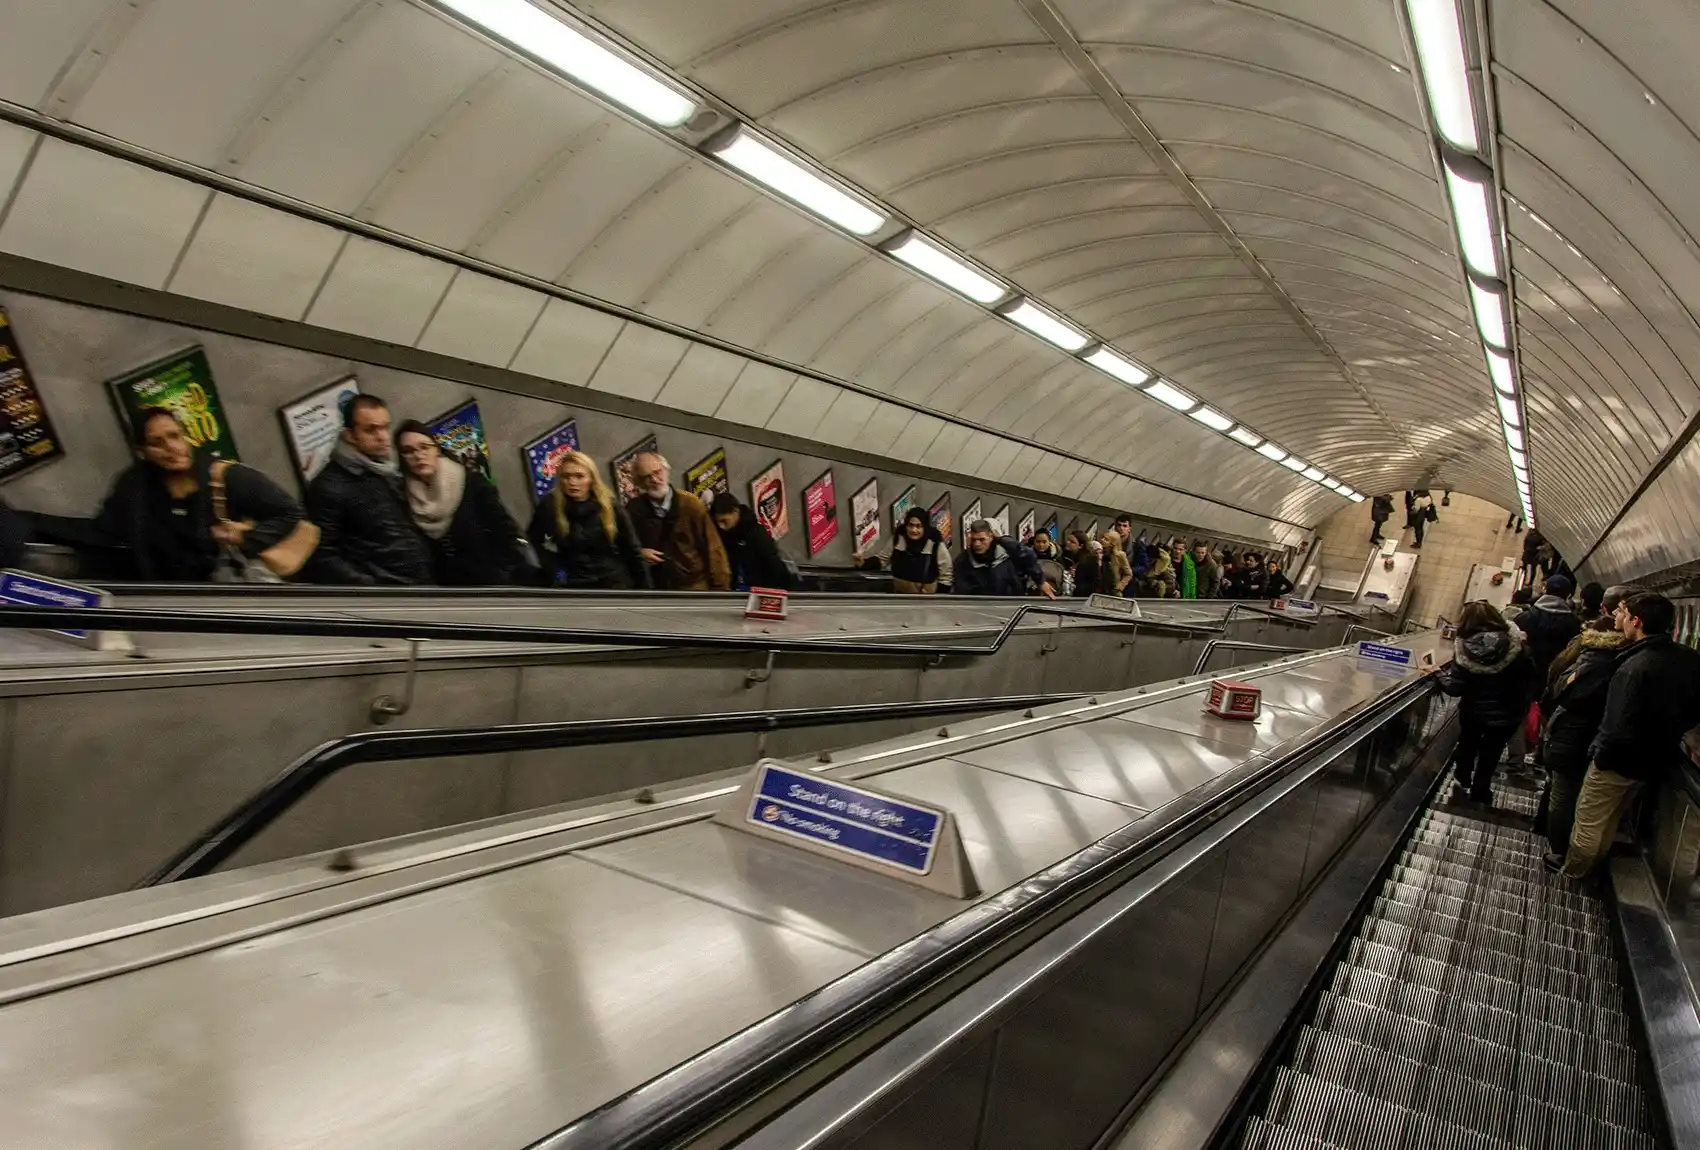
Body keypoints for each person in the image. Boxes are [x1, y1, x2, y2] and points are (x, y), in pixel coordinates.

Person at [1561, 594, 1700, 879]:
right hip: (1654, 759)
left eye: (1623, 613)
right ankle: (1592, 873)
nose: (1618, 618)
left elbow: (1616, 722)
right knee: (1611, 820)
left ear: (1636, 621)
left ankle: (1574, 876)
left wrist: (1600, 754)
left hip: (1616, 760)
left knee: (1588, 822)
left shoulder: (1633, 665)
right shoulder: (1689, 659)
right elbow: (1694, 711)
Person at [97, 407, 309, 582]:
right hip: (165, 598)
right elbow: (109, 529)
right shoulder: (134, 485)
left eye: (174, 436)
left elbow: (289, 512)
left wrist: (244, 537)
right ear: (142, 452)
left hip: (227, 593)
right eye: (156, 443)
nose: (171, 447)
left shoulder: (225, 477)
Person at [307, 394, 434, 585]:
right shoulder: (329, 485)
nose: (383, 437)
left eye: (385, 427)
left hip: (422, 584)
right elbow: (322, 556)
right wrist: (374, 587)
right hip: (389, 596)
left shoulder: (387, 469)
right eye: (371, 430)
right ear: (350, 435)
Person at [1538, 615, 1628, 868]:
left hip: (1567, 738)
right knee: (1572, 799)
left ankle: (1560, 853)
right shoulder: (1613, 664)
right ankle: (1565, 855)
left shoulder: (1585, 659)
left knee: (1562, 797)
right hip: (1581, 742)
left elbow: (1555, 692)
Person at [395, 422, 523, 586]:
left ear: (437, 449)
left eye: (424, 447)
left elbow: (506, 532)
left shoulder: (470, 482)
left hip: (491, 585)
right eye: (408, 451)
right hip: (447, 592)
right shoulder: (405, 497)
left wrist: (503, 576)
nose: (418, 455)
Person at [1435, 600, 1536, 804]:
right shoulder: (1516, 646)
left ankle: (1463, 777)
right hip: (1507, 713)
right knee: (1492, 752)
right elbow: (1531, 675)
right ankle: (1481, 791)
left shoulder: (1464, 649)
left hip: (1474, 712)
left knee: (1468, 744)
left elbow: (1455, 688)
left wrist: (1438, 674)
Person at [526, 450, 648, 589]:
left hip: (612, 582)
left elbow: (632, 549)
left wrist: (646, 590)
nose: (572, 482)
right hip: (571, 582)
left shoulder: (609, 505)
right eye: (566, 476)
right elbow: (532, 541)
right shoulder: (550, 505)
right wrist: (557, 571)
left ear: (591, 479)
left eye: (579, 476)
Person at [625, 452, 731, 591]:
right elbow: (622, 546)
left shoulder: (691, 504)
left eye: (657, 472)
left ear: (666, 470)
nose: (654, 479)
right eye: (647, 477)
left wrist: (721, 590)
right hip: (655, 590)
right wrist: (639, 553)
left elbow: (714, 548)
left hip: (694, 588)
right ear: (639, 482)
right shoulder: (633, 509)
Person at [710, 491, 795, 591]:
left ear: (735, 512)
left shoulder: (755, 533)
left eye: (724, 521)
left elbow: (772, 562)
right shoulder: (724, 534)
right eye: (718, 522)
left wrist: (784, 589)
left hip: (760, 589)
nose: (721, 526)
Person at [956, 519, 1055, 597]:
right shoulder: (963, 561)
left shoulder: (1007, 552)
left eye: (982, 539)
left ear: (991, 537)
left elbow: (1028, 556)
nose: (977, 544)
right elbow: (962, 590)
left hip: (1012, 604)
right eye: (974, 540)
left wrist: (1041, 582)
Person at [1518, 573, 1582, 683]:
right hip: (1554, 679)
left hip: (1524, 678)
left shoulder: (1524, 618)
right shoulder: (1574, 624)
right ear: (1568, 595)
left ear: (1545, 590)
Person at [1068, 531, 1101, 597]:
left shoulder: (1090, 560)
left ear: (1081, 546)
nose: (1068, 543)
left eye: (1072, 542)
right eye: (1068, 540)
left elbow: (1094, 583)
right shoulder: (1065, 557)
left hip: (1081, 598)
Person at [1098, 530, 1131, 595]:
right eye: (1103, 538)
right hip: (1100, 588)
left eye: (1106, 539)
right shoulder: (1099, 552)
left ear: (1113, 543)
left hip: (1114, 590)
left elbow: (1128, 574)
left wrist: (1119, 587)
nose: (1102, 540)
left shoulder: (1120, 555)